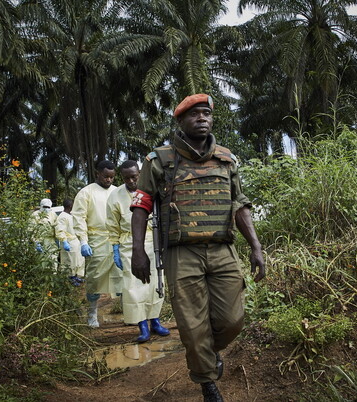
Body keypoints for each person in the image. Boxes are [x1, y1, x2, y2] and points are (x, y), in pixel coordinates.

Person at [130, 93, 266, 402]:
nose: (201, 118)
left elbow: (240, 205)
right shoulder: (159, 160)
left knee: (232, 320)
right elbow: (141, 206)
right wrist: (139, 251)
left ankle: (204, 352)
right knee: (192, 326)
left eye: (206, 113)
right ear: (180, 121)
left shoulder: (226, 159)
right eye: (194, 114)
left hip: (222, 249)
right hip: (181, 253)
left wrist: (256, 247)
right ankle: (207, 382)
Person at [107, 160, 170, 342]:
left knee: (155, 283)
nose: (131, 181)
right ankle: (142, 325)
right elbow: (112, 223)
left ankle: (155, 321)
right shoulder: (115, 196)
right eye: (127, 178)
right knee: (133, 285)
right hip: (129, 244)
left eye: (134, 176)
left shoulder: (153, 190)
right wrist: (115, 247)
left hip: (154, 241)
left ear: (140, 173)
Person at [72, 160, 123, 328]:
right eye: (105, 176)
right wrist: (84, 241)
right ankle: (92, 313)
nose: (109, 180)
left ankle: (128, 312)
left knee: (123, 276)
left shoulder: (118, 192)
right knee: (95, 278)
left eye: (112, 177)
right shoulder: (86, 192)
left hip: (117, 240)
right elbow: (79, 218)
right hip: (96, 240)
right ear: (97, 174)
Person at [55, 198, 85, 286]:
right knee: (69, 261)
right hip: (69, 242)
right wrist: (64, 241)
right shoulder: (62, 217)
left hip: (75, 241)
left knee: (78, 260)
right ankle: (70, 278)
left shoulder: (71, 215)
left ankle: (76, 276)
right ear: (71, 206)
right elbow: (60, 231)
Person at [30, 198, 59, 269]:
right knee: (41, 262)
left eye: (48, 207)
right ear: (41, 206)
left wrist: (58, 240)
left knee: (53, 259)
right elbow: (31, 230)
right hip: (39, 240)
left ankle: (54, 276)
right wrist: (36, 242)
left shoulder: (53, 214)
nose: (46, 209)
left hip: (51, 241)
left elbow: (57, 227)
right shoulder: (35, 215)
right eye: (45, 207)